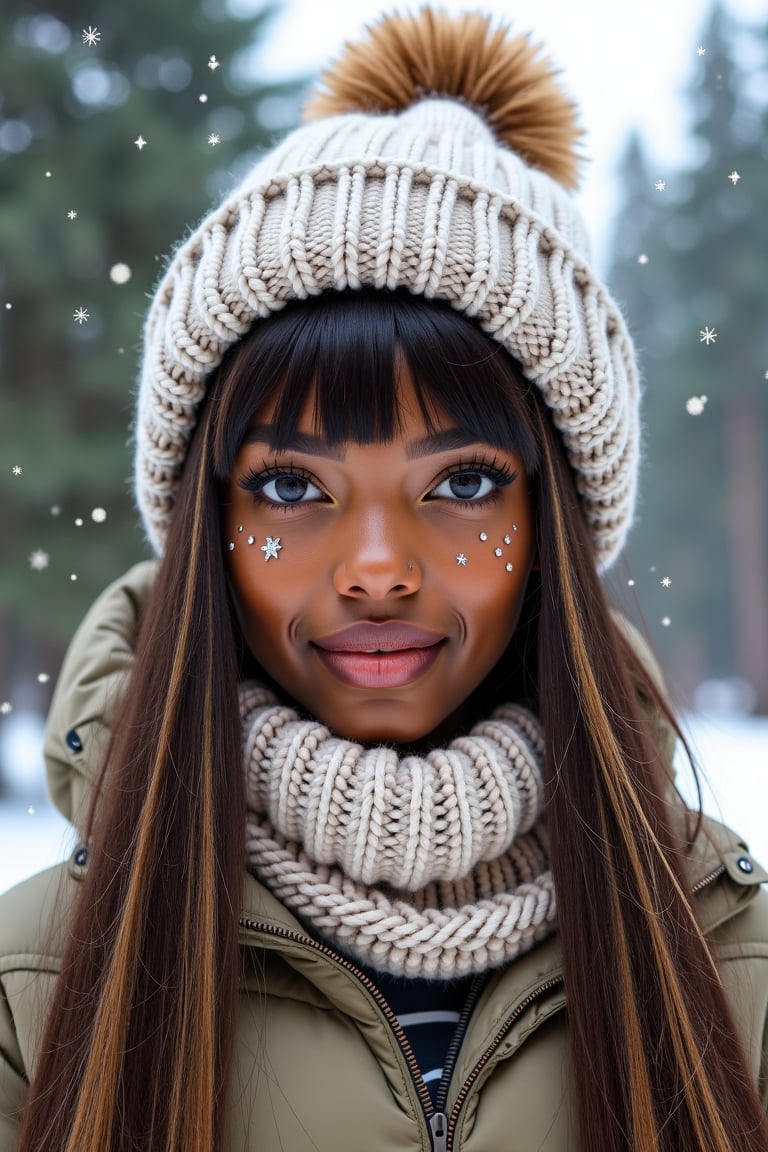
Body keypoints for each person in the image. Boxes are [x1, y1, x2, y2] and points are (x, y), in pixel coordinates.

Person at [1, 8, 767, 1151]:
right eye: (293, 490)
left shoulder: (726, 962)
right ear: (206, 523)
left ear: (551, 517)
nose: (374, 571)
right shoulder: (44, 975)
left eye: (459, 484)